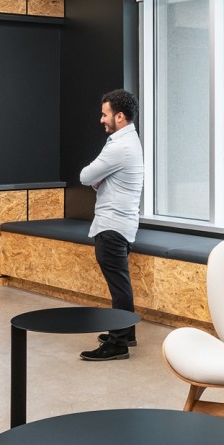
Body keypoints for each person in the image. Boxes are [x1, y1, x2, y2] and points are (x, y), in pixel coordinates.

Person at [78, 88, 145, 361]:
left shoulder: (119, 147)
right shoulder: (128, 141)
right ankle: (125, 333)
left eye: (105, 114)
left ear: (119, 116)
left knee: (119, 288)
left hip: (112, 226)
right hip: (120, 224)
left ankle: (118, 344)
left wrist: (98, 180)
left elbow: (85, 176)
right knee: (121, 284)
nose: (101, 119)